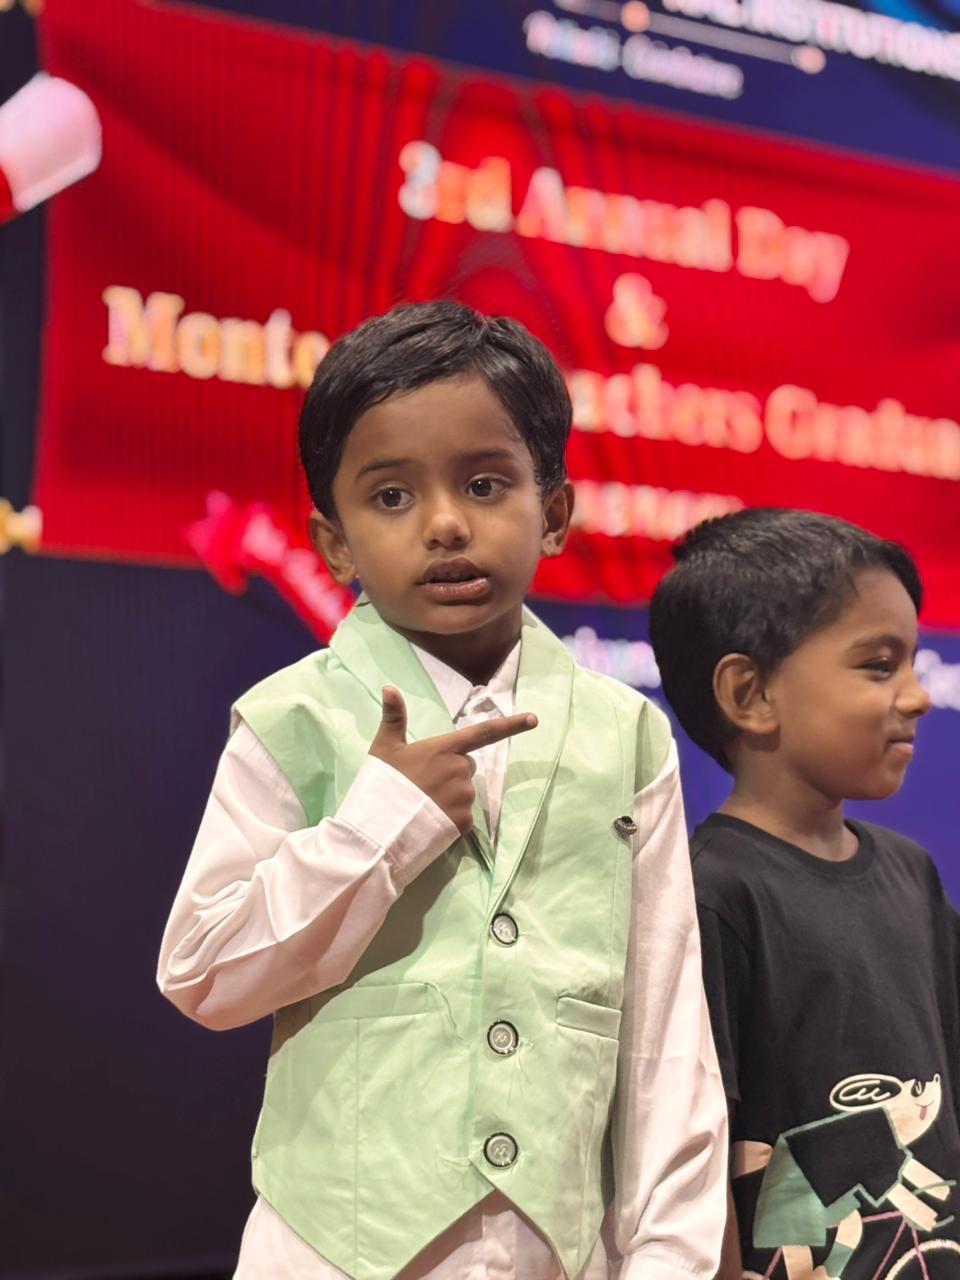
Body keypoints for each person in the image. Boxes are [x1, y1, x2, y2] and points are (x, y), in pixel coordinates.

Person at [157, 300, 727, 1280]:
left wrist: (667, 1256)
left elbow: (663, 1026)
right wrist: (383, 818)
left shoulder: (627, 733)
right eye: (390, 497)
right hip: (329, 1250)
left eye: (485, 482)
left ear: (553, 512)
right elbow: (204, 972)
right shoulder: (291, 717)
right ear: (333, 544)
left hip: (558, 1252)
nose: (447, 522)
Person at [649, 508, 960, 1280]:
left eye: (914, 663)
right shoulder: (712, 893)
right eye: (879, 665)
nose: (918, 696)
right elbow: (695, 1155)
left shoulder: (911, 873)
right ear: (750, 694)